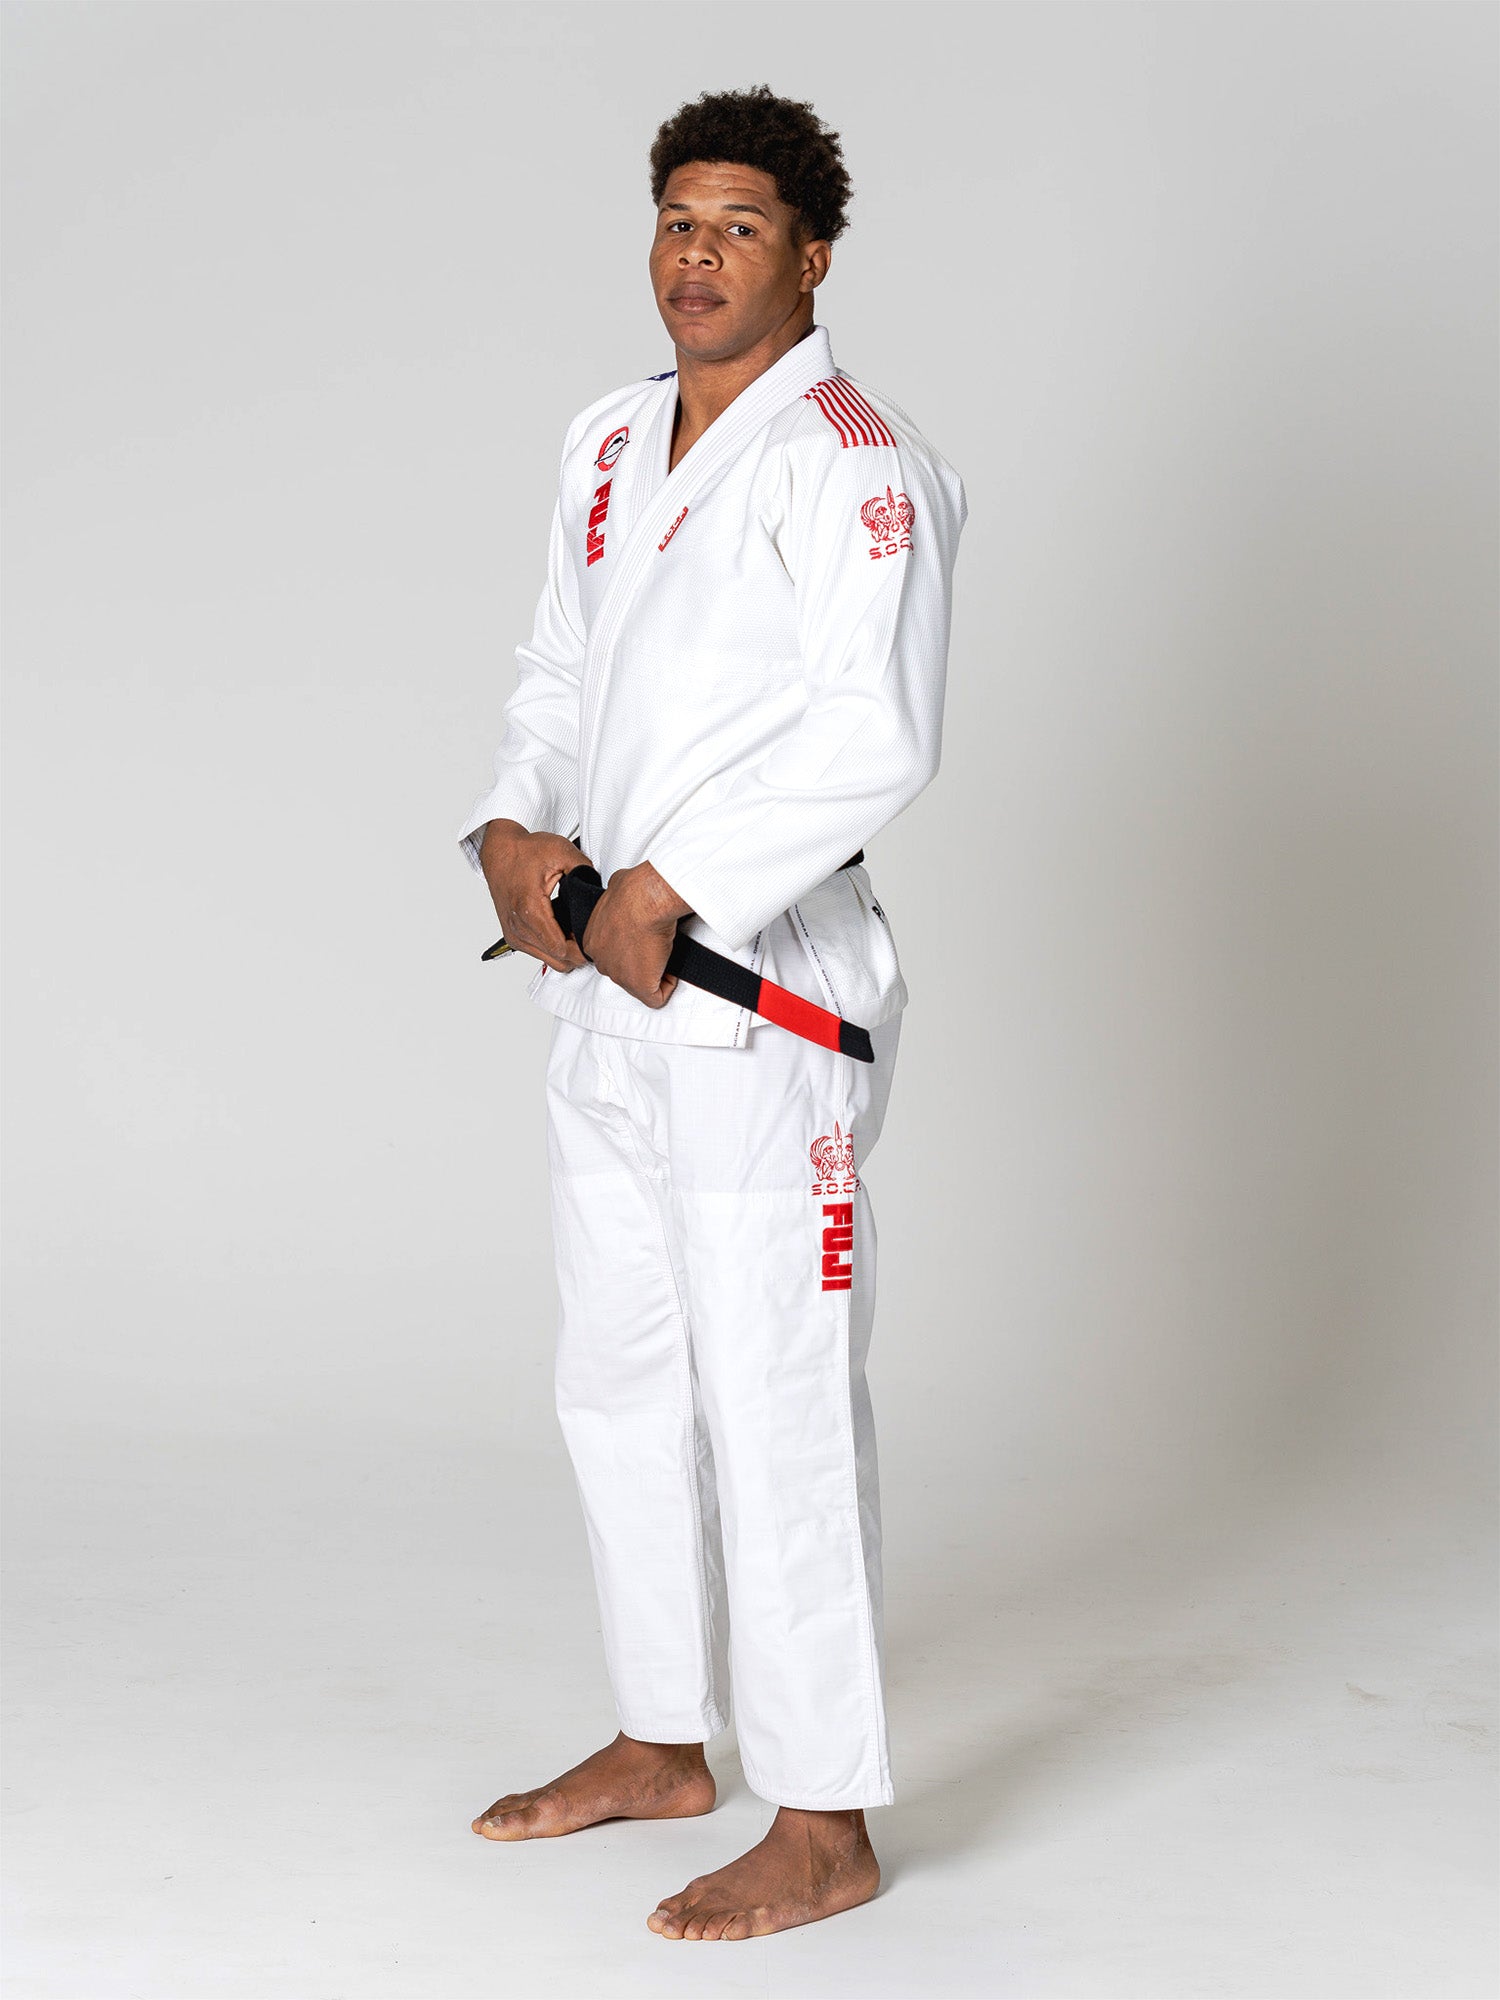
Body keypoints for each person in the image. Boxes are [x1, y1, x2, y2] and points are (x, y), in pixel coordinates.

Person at [457, 84, 966, 1941]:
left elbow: (873, 730)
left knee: (775, 1401)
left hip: (761, 995)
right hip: (603, 981)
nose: (698, 251)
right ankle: (668, 1737)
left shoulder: (863, 458)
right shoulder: (606, 437)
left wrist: (686, 880)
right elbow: (557, 665)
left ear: (811, 257)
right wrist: (516, 828)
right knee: (619, 1380)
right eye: (678, 218)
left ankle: (822, 1814)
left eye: (739, 224)